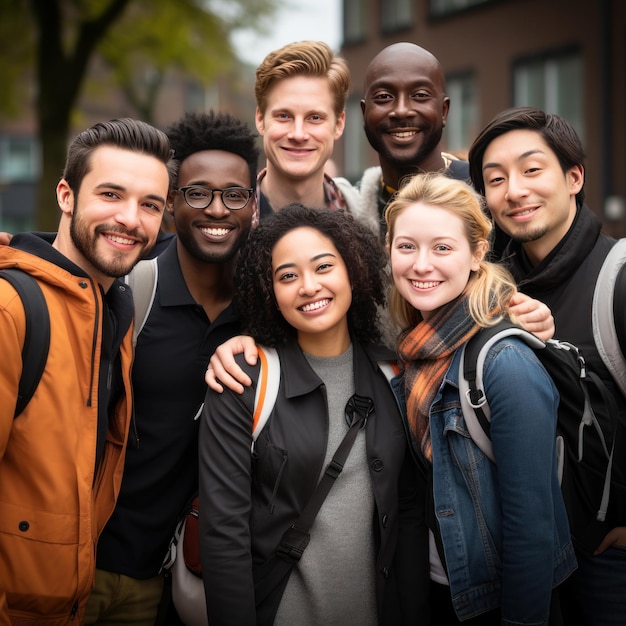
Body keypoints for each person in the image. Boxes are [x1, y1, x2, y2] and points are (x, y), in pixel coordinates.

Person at [198, 204, 427, 625]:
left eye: (324, 267)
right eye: (287, 276)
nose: (308, 286)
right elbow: (223, 533)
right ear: (268, 292)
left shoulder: (395, 373)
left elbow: (409, 515)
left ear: (352, 271)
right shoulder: (243, 380)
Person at [84, 111, 259, 625]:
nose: (216, 210)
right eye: (198, 193)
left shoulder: (267, 308)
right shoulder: (127, 289)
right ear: (172, 201)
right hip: (93, 565)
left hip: (182, 574)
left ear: (254, 201)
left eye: (234, 195)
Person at [0, 118, 174, 624]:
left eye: (150, 205)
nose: (130, 219)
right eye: (111, 194)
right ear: (66, 195)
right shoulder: (14, 308)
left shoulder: (112, 314)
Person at [386, 171, 576, 624]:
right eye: (406, 246)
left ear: (476, 254)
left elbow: (532, 528)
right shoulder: (417, 348)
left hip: (497, 603)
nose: (421, 264)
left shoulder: (504, 362)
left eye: (443, 248)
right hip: (441, 590)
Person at [468, 105, 626, 625]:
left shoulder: (617, 276)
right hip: (526, 562)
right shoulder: (487, 290)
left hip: (609, 564)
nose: (514, 190)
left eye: (532, 170)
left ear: (574, 177)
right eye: (495, 179)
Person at [354, 42, 469, 240]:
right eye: (384, 96)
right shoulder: (350, 213)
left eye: (420, 96)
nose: (401, 110)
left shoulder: (484, 191)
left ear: (444, 111)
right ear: (364, 113)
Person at [253, 40, 360, 220]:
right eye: (284, 116)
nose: (298, 134)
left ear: (339, 124)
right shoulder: (226, 222)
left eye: (315, 118)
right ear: (260, 120)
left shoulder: (365, 220)